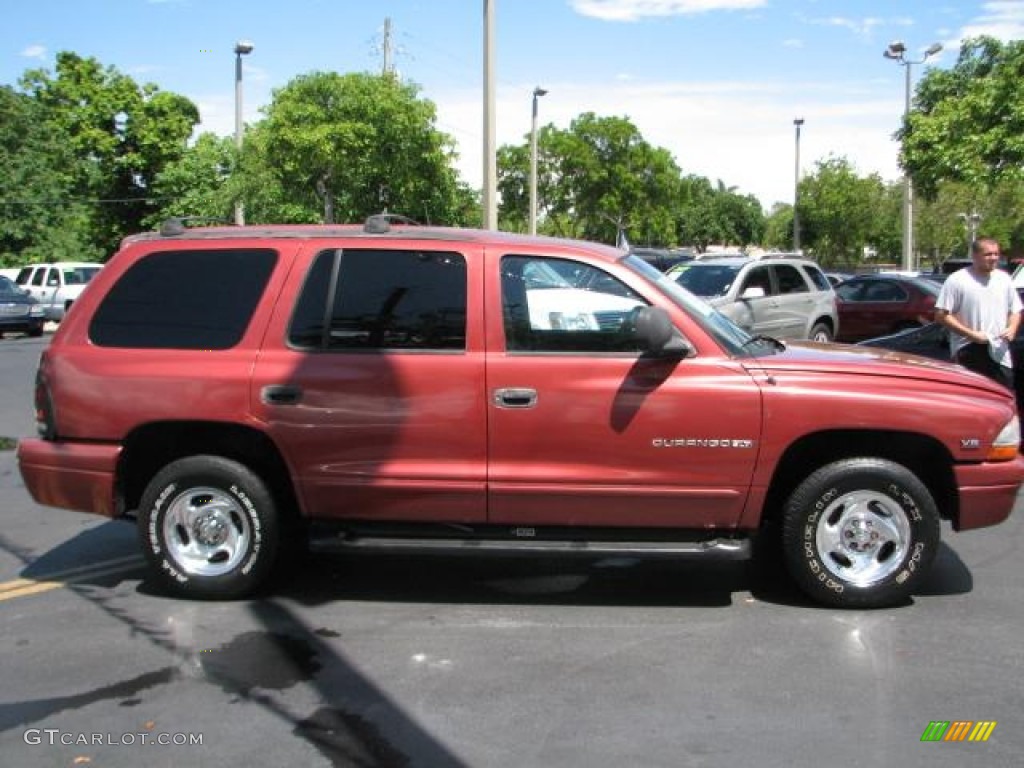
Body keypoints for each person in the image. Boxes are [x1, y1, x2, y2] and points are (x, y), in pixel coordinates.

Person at [934, 236, 1022, 388]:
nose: (994, 258)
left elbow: (1016, 310)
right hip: (968, 348)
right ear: (974, 256)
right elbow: (941, 315)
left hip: (999, 350)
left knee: (1004, 397)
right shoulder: (957, 280)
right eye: (988, 254)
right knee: (973, 399)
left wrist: (1012, 328)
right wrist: (971, 334)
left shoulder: (1004, 279)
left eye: (996, 254)